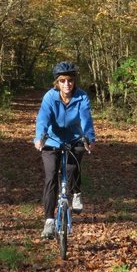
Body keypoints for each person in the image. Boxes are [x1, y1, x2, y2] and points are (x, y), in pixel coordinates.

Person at [34, 62, 96, 239]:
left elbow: (86, 119)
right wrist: (40, 137)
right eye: (62, 81)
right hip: (52, 139)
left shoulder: (81, 97)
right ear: (57, 83)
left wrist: (89, 138)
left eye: (70, 80)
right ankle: (49, 221)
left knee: (71, 168)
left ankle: (76, 192)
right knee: (51, 175)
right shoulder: (49, 97)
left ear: (74, 81)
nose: (66, 84)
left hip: (75, 137)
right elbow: (43, 118)